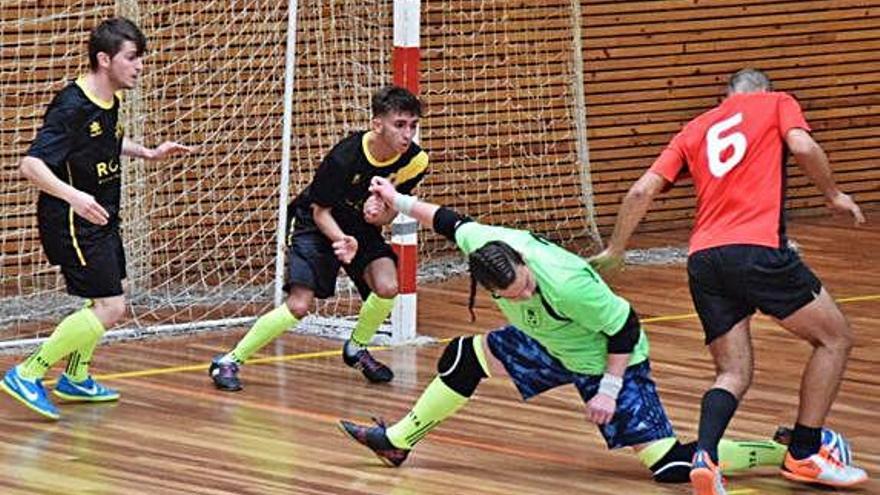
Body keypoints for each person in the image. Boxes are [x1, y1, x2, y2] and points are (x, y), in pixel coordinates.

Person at [338, 176, 789, 484]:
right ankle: (397, 443)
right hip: (547, 341)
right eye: (512, 295)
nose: (522, 293)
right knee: (463, 358)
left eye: (525, 284)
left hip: (606, 357)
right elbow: (447, 220)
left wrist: (609, 389)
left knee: (670, 466)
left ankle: (781, 452)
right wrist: (394, 199)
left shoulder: (569, 286)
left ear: (523, 263)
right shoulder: (483, 246)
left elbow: (626, 327)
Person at [591, 68, 868, 494]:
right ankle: (806, 452)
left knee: (733, 372)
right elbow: (801, 143)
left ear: (727, 96)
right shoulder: (777, 103)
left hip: (704, 261)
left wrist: (615, 249)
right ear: (764, 91)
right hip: (757, 251)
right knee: (835, 339)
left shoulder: (696, 127)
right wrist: (832, 194)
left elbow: (641, 191)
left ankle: (706, 457)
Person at [1, 17, 194, 420]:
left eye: (140, 58)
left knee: (104, 295)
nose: (139, 66)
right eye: (131, 58)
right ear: (104, 59)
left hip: (102, 214)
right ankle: (27, 372)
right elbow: (31, 165)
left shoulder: (111, 100)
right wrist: (75, 197)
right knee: (111, 306)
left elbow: (104, 141)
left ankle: (75, 376)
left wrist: (149, 153)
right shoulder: (72, 105)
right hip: (73, 219)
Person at [209, 86, 427, 390]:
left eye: (413, 126)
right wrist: (342, 240)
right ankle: (229, 361)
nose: (408, 134)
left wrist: (378, 215)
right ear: (378, 124)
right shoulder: (344, 157)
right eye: (399, 125)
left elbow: (391, 211)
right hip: (315, 223)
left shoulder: (416, 161)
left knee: (389, 286)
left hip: (358, 227)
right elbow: (320, 210)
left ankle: (356, 348)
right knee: (298, 306)